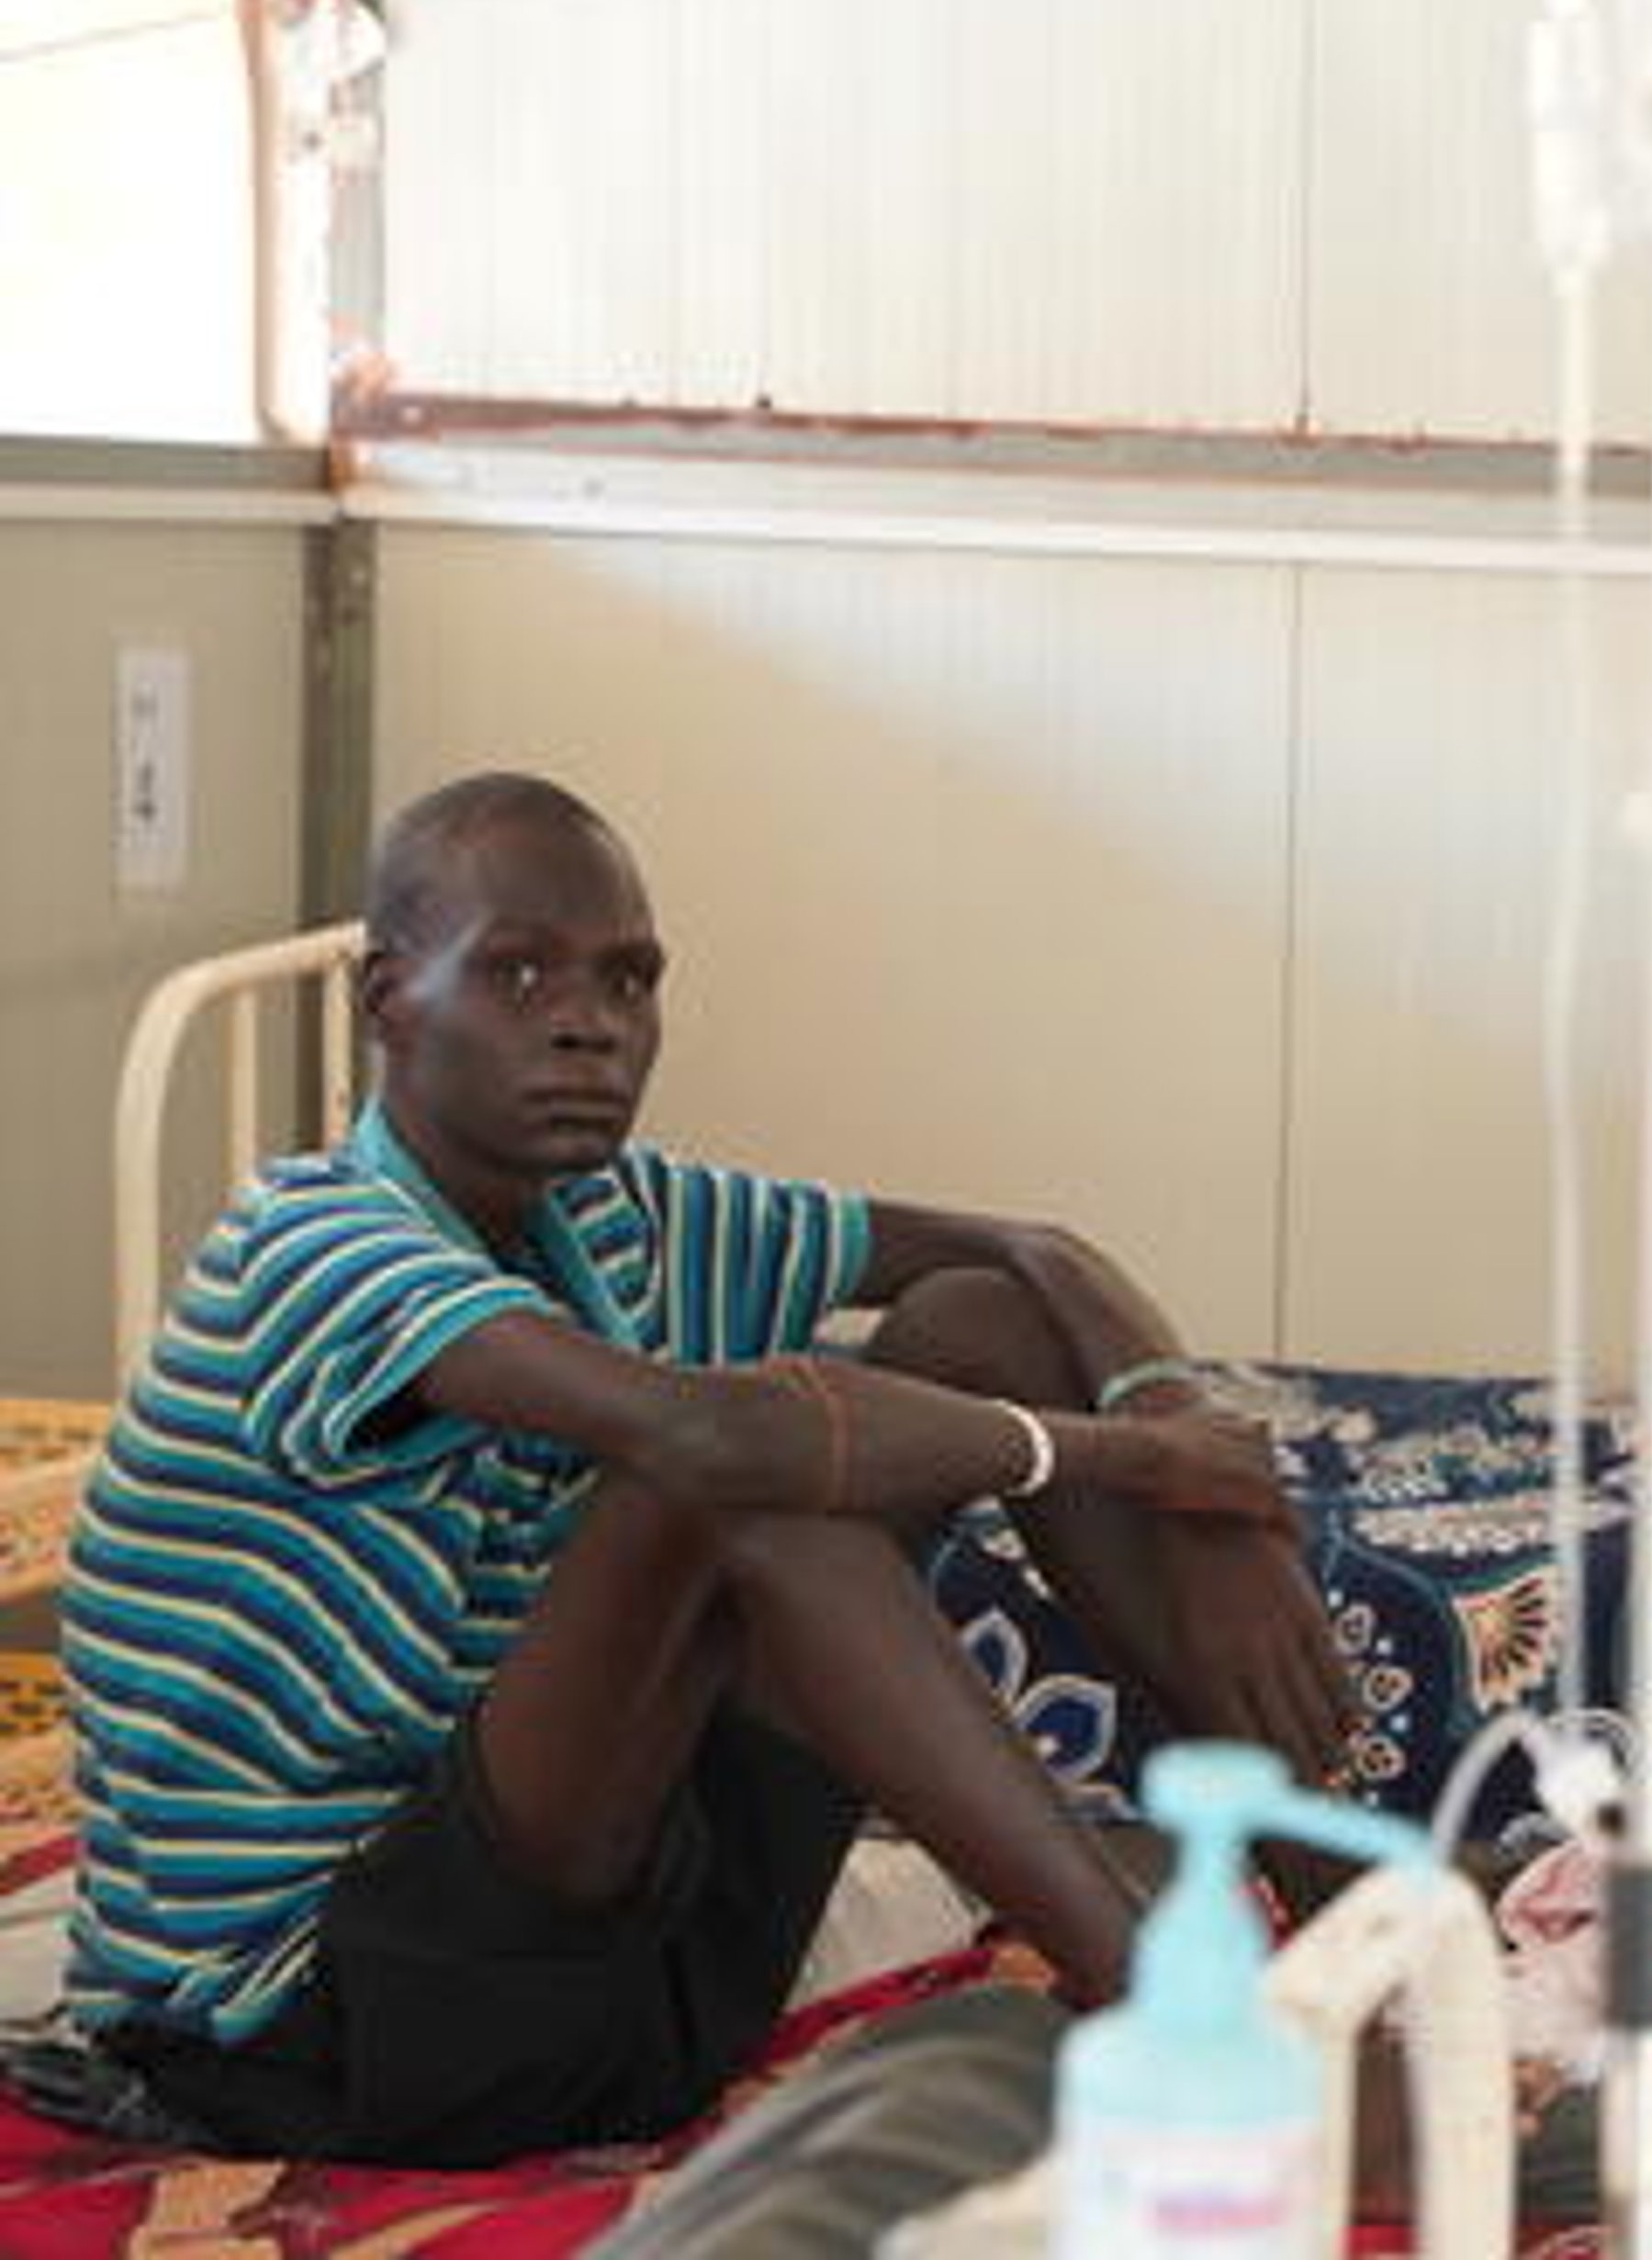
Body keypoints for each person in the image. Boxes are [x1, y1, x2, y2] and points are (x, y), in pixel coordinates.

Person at [59, 771, 1354, 2167]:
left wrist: (1215, 1497)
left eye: (629, 979)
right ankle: (1188, 2028)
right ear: (388, 1000)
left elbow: (1033, 1256)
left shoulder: (617, 1212)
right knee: (734, 1486)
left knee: (975, 1324)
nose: (587, 1021)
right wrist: (1136, 1455)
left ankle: (1331, 1903)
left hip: (616, 1989)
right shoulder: (312, 1246)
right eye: (516, 972)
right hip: (312, 2033)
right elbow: (718, 1441)